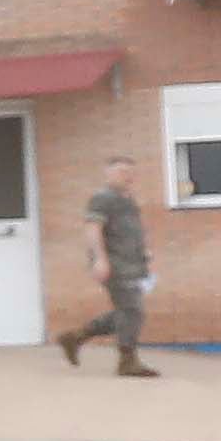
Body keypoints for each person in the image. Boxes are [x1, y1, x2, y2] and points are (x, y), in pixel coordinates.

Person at [67, 148, 158, 377]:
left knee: (126, 312)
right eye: (121, 172)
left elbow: (130, 232)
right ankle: (127, 361)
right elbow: (93, 228)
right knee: (133, 311)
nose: (127, 176)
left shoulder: (128, 200)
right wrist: (100, 259)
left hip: (133, 264)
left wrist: (144, 252)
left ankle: (75, 337)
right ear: (108, 174)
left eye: (130, 172)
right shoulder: (102, 198)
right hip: (114, 264)